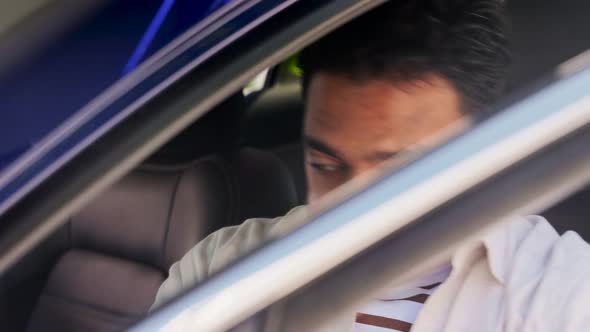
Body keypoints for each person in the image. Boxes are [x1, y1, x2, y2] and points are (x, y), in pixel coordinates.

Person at [152, 1, 590, 331]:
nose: (349, 211)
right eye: (324, 164)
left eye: (401, 173)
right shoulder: (217, 272)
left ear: (484, 151)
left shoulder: (562, 292)